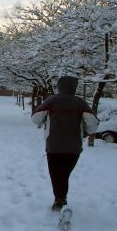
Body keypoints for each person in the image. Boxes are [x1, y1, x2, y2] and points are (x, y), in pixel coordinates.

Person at [31, 76, 99, 212]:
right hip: (73, 147)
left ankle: (59, 201)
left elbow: (35, 118)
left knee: (56, 175)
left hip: (54, 146)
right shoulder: (80, 103)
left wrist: (45, 121)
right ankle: (61, 199)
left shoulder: (51, 100)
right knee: (64, 174)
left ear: (59, 86)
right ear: (74, 87)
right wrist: (85, 132)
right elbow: (93, 123)